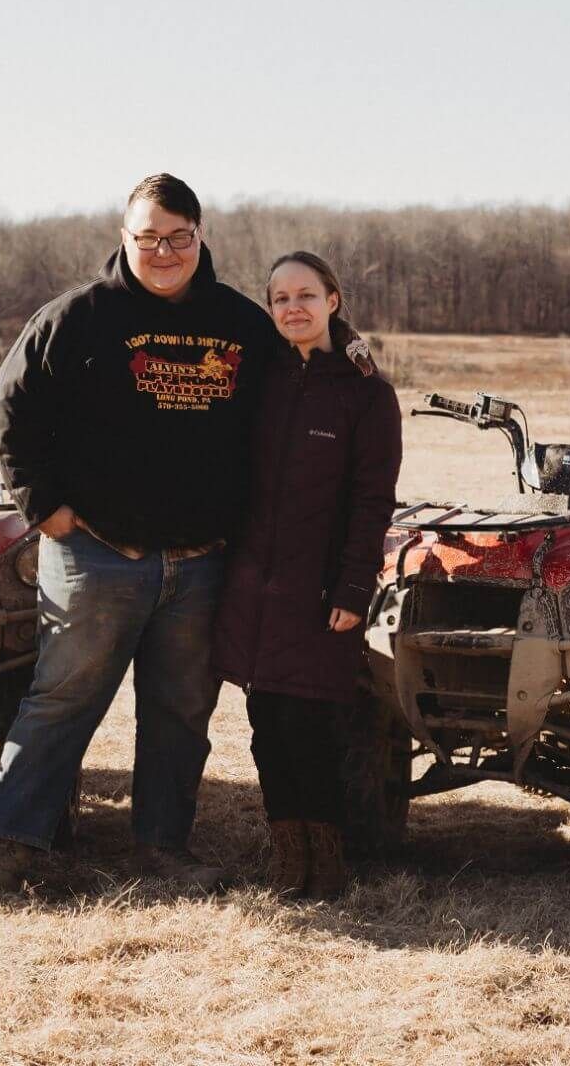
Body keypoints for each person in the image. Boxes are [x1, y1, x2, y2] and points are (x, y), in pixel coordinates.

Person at [0, 173, 278, 898]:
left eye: (178, 237)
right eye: (148, 237)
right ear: (123, 238)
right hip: (97, 555)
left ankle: (163, 848)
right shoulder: (75, 318)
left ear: (200, 237)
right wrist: (46, 509)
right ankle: (9, 847)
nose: (164, 251)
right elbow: (13, 411)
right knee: (61, 699)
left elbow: (288, 408)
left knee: (182, 711)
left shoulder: (244, 326)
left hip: (201, 562)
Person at [211, 251, 402, 899]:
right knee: (266, 724)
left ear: (333, 301)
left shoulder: (366, 393)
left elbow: (372, 502)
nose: (292, 307)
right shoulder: (255, 381)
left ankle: (328, 858)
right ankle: (288, 855)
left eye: (305, 295)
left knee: (311, 725)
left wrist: (353, 588)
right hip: (252, 587)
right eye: (280, 298)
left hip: (321, 591)